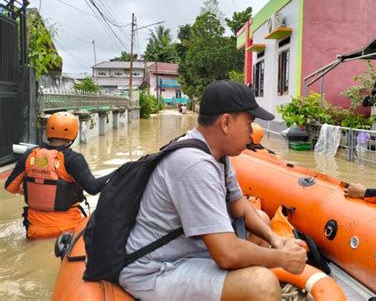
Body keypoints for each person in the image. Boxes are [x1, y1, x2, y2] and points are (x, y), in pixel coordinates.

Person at [119, 80, 307, 301]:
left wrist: (275, 239)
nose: (251, 134)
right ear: (226, 122)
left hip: (188, 251)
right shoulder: (194, 164)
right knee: (262, 284)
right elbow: (226, 255)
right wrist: (282, 258)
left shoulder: (218, 155)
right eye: (249, 123)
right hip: (154, 269)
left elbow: (240, 207)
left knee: (262, 220)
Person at [4, 111, 112, 239]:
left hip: (34, 231)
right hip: (67, 231)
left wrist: (31, 190)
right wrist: (121, 171)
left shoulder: (29, 155)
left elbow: (10, 187)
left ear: (48, 132)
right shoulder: (73, 159)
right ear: (74, 134)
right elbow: (93, 188)